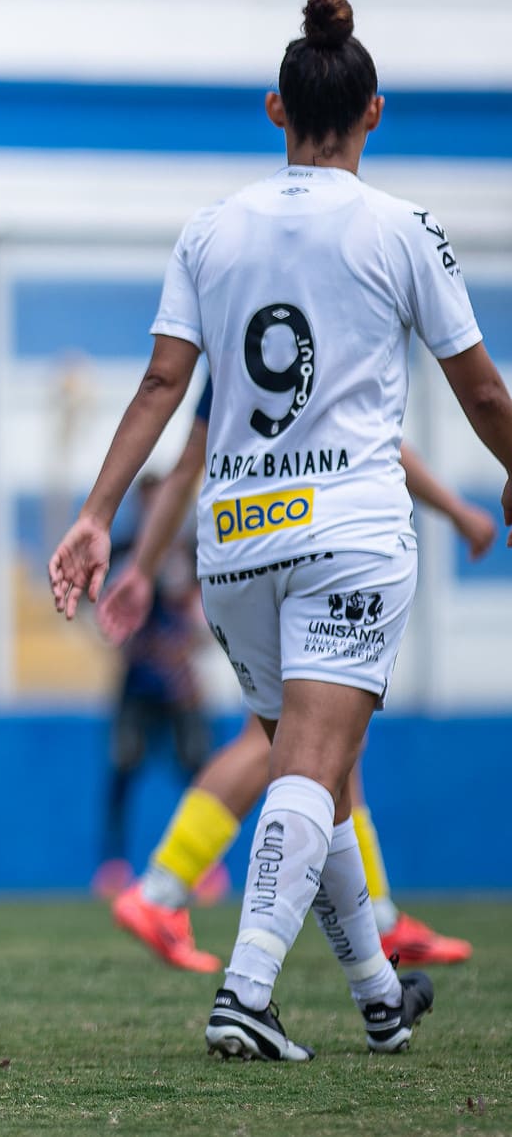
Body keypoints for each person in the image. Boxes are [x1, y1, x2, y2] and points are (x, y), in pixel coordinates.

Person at [49, 0, 512, 1061]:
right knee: (310, 765)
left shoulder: (210, 229)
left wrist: (94, 513)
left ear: (275, 109)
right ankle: (245, 993)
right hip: (348, 530)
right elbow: (483, 396)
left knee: (311, 765)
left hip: (238, 541)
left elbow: (166, 383)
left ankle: (375, 993)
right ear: (373, 113)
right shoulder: (402, 229)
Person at [101, 376, 491, 971]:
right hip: (321, 548)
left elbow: (187, 456)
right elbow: (388, 443)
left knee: (334, 743)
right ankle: (164, 887)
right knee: (292, 739)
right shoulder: (328, 317)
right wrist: (462, 511)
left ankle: (378, 918)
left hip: (242, 545)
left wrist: (144, 566)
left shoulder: (242, 315)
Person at [92, 473, 213, 901]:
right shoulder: (122, 550)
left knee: (198, 772)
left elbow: (207, 616)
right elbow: (104, 618)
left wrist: (184, 648)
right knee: (123, 768)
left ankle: (200, 867)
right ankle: (113, 865)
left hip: (180, 685)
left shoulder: (195, 552)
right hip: (137, 682)